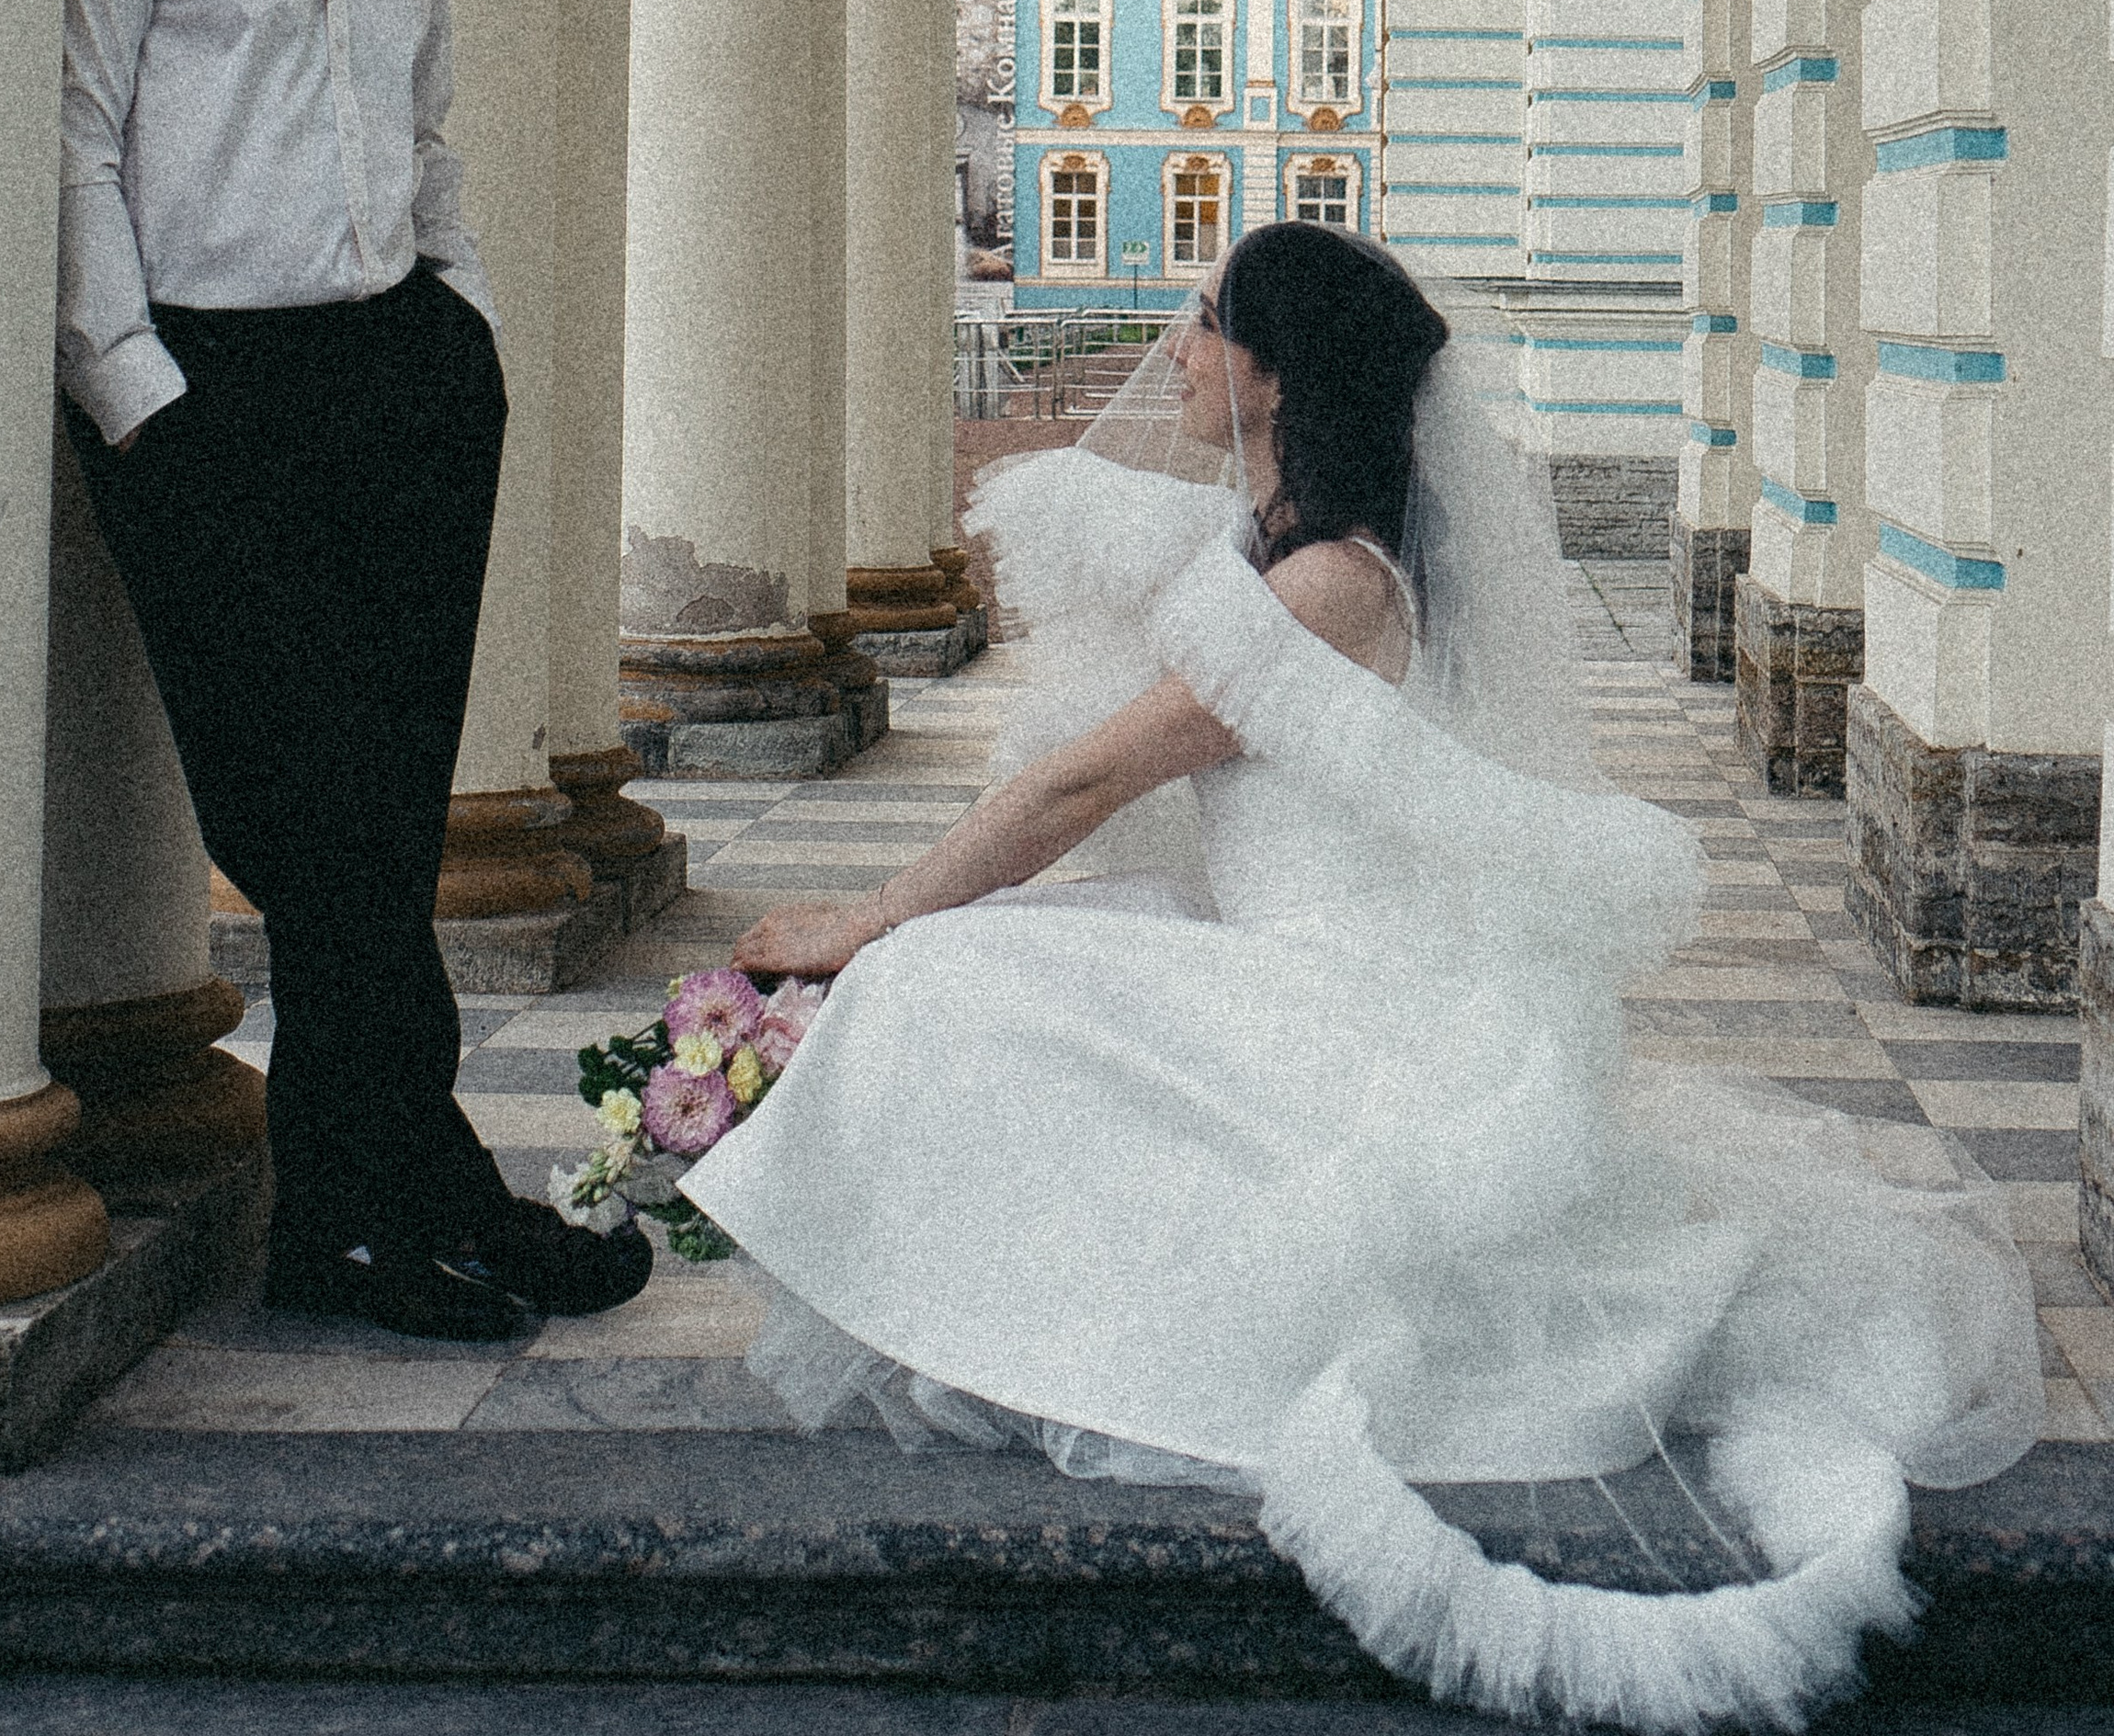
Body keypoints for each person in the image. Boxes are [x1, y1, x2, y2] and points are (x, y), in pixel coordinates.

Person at [684, 223, 2042, 1730]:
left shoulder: (1326, 587)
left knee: (939, 977)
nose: (1178, 349)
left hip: (1347, 999)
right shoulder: (1286, 552)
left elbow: (1077, 787)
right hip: (1293, 961)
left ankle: (1037, 1313)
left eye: (1207, 322)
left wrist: (867, 916)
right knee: (1005, 965)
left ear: (1275, 376)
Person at [58, 0, 650, 1342]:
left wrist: (458, 324)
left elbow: (420, 128)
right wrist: (139, 397)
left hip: (396, 378)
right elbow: (71, 137)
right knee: (308, 827)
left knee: (382, 830)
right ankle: (401, 1201)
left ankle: (372, 1214)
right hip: (206, 398)